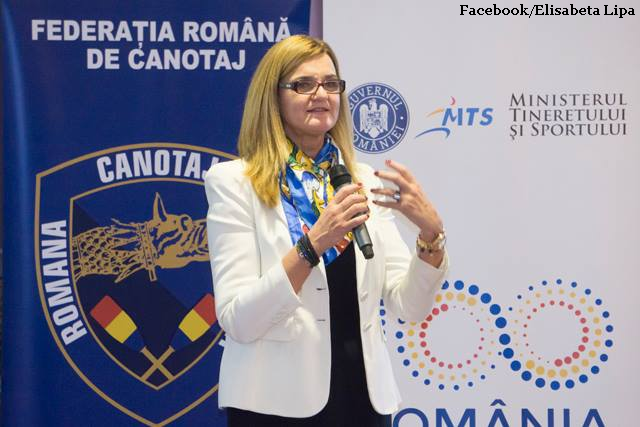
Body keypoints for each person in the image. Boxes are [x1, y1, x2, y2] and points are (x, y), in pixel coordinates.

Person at [204, 34, 449, 427]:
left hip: (363, 401)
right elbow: (239, 319)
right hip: (273, 404)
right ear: (273, 97)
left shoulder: (361, 181)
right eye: (303, 84)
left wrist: (430, 237)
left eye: (330, 84)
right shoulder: (235, 183)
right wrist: (313, 244)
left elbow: (410, 306)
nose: (321, 94)